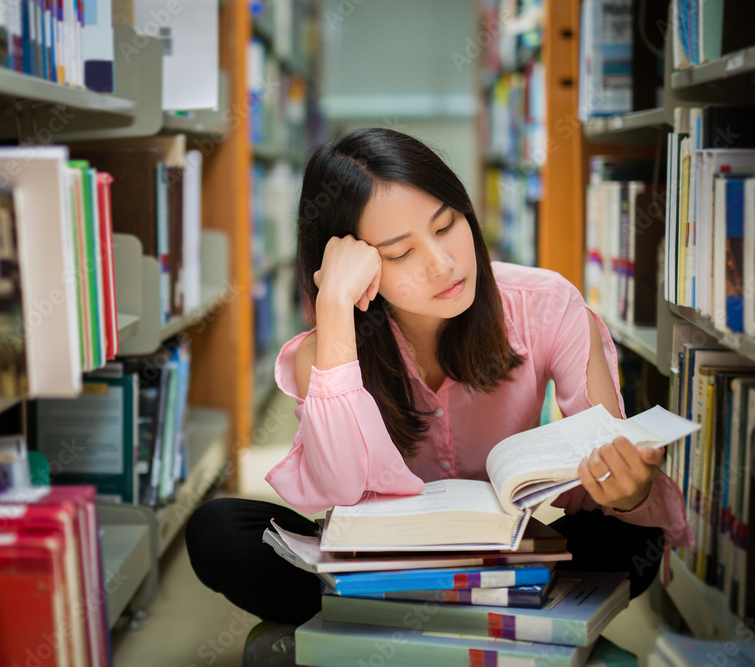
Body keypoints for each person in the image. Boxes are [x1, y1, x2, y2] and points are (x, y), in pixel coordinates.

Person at [186, 127, 693, 631]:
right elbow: (337, 485)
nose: (443, 264)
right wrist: (335, 307)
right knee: (219, 531)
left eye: (447, 224)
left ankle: (401, 628)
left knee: (633, 538)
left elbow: (605, 464)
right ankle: (500, 626)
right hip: (382, 566)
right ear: (354, 266)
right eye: (400, 253)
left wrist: (625, 489)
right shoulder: (328, 348)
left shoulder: (548, 305)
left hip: (510, 556)